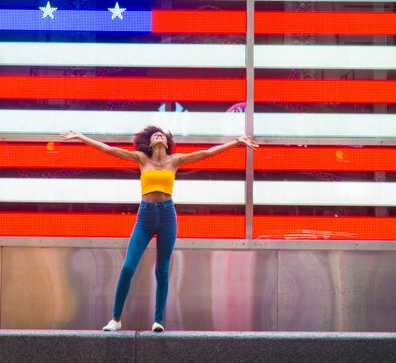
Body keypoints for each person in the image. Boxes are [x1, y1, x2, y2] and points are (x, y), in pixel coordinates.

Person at [60, 126, 258, 332]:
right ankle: (116, 319)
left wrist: (236, 142)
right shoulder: (141, 159)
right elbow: (108, 150)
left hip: (167, 216)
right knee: (128, 267)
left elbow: (207, 153)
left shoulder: (175, 160)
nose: (159, 135)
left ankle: (158, 320)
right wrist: (81, 137)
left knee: (162, 270)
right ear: (148, 142)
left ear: (167, 142)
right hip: (145, 216)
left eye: (162, 134)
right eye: (155, 134)